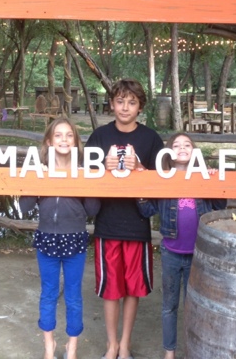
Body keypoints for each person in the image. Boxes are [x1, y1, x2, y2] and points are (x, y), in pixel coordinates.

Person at [85, 78, 165, 359]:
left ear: (140, 107)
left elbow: (161, 183)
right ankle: (111, 345)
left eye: (132, 102)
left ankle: (125, 344)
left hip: (137, 227)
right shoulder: (99, 137)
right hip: (106, 225)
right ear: (111, 104)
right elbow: (84, 178)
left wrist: (140, 168)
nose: (125, 107)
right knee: (111, 289)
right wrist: (102, 167)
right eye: (120, 101)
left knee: (133, 289)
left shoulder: (151, 139)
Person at [136, 133, 227, 359]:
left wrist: (216, 180)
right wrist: (140, 191)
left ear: (194, 151)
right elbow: (148, 210)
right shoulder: (163, 178)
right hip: (171, 253)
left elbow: (220, 205)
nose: (182, 148)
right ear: (168, 152)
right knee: (169, 306)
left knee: (194, 305)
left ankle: (192, 350)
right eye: (176, 145)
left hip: (198, 254)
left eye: (187, 144)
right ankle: (170, 352)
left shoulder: (203, 177)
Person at [20, 117, 100, 359]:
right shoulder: (39, 170)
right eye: (58, 135)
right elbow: (24, 207)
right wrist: (36, 180)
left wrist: (88, 182)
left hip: (74, 239)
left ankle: (71, 347)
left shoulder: (83, 171)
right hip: (46, 240)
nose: (64, 139)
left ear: (75, 141)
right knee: (48, 293)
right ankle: (49, 346)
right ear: (49, 141)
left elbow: (93, 210)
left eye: (69, 135)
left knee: (73, 296)